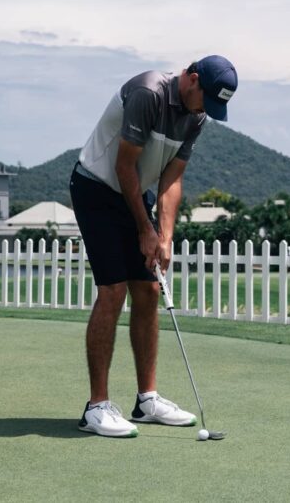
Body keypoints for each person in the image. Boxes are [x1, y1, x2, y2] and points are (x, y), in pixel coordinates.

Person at [70, 55, 238, 437]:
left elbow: (172, 180)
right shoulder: (149, 92)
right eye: (205, 100)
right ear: (192, 79)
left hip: (132, 192)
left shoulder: (196, 117)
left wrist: (164, 235)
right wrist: (145, 229)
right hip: (96, 188)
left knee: (147, 290)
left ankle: (147, 401)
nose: (205, 111)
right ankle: (96, 407)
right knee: (112, 291)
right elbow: (124, 166)